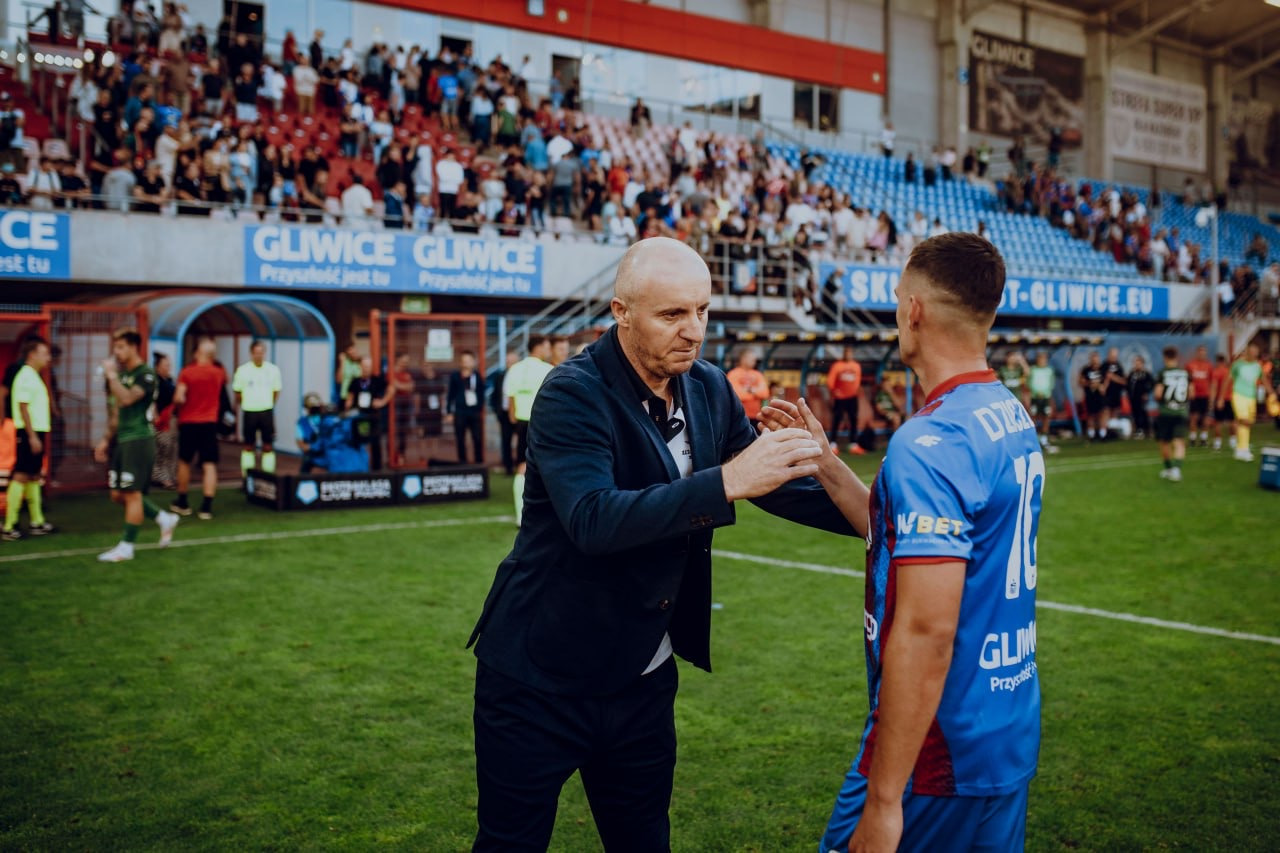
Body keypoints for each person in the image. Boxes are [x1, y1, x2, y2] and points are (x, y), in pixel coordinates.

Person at [467, 237, 861, 851]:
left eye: (701, 310)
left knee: (645, 841)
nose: (693, 330)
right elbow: (593, 519)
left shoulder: (707, 386)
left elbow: (771, 484)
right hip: (539, 678)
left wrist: (882, 517)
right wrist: (726, 482)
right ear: (621, 313)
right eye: (672, 314)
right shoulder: (571, 391)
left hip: (643, 677)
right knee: (510, 844)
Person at [803, 232, 1042, 853]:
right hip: (1005, 722)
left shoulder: (932, 441)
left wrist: (884, 802)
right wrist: (827, 464)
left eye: (896, 299)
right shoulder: (1006, 412)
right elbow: (906, 538)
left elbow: (927, 631)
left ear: (914, 311)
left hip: (937, 748)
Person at [94, 329, 180, 562]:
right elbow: (116, 411)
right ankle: (164, 518)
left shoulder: (146, 374)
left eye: (121, 347)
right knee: (117, 494)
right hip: (122, 440)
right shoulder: (122, 376)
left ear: (133, 347)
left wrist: (111, 376)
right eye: (115, 347)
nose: (117, 352)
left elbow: (127, 398)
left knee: (132, 494)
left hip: (139, 439)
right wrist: (105, 439)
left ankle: (126, 547)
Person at [3, 337, 55, 540]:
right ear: (32, 355)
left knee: (33, 475)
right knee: (21, 475)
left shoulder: (33, 375)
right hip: (28, 432)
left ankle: (37, 521)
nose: (48, 358)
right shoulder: (25, 375)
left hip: (35, 431)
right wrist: (32, 436)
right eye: (44, 353)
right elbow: (23, 406)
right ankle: (9, 525)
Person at [172, 338, 226, 520]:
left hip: (188, 422)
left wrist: (178, 405)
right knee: (209, 464)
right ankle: (206, 507)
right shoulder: (219, 373)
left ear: (197, 353)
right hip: (209, 423)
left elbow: (179, 397)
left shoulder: (187, 372)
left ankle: (182, 502)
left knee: (184, 461)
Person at [503, 334, 554, 525]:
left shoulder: (515, 369)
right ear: (538, 347)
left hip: (522, 422)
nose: (549, 350)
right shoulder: (548, 369)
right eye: (547, 347)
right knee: (548, 465)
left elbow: (510, 398)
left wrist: (514, 420)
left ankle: (521, 514)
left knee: (522, 467)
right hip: (543, 423)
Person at [232, 340, 282, 476]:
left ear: (264, 353)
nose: (259, 356)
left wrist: (268, 402)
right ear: (251, 354)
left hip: (266, 411)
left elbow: (276, 391)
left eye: (261, 353)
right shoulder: (242, 370)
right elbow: (237, 392)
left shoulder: (272, 370)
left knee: (268, 445)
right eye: (256, 353)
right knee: (248, 445)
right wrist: (247, 402)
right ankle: (247, 476)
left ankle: (268, 475)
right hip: (250, 411)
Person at [346, 356, 394, 471]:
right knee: (357, 442)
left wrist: (383, 401)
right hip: (359, 416)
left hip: (373, 416)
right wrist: (348, 405)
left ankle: (377, 470)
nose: (366, 369)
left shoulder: (377, 380)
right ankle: (358, 467)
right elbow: (350, 397)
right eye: (364, 366)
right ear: (361, 367)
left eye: (368, 366)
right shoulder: (355, 381)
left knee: (375, 443)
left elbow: (391, 389)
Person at [1154, 346, 1190, 482]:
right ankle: (1177, 470)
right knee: (1179, 441)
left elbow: (1158, 394)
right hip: (1181, 412)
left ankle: (1169, 468)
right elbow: (1191, 393)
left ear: (1165, 357)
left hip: (1166, 412)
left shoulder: (1163, 373)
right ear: (1176, 357)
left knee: (1164, 442)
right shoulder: (1185, 373)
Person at [1228, 344, 1265, 463]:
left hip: (1251, 397)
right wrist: (1220, 398)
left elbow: (1264, 380)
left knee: (1248, 423)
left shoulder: (1257, 366)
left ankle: (1241, 449)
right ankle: (1242, 449)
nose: (1254, 354)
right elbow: (1228, 379)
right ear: (1247, 352)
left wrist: (1272, 393)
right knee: (1243, 420)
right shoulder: (1237, 364)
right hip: (1238, 395)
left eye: (1256, 352)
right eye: (1252, 351)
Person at [446, 350, 484, 464]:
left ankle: (478, 463)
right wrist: (449, 411)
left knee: (477, 437)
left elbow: (481, 394)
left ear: (473, 362)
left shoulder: (477, 376)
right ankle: (462, 463)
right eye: (464, 361)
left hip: (474, 412)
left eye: (468, 360)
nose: (466, 363)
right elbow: (450, 395)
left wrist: (479, 408)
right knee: (460, 438)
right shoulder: (455, 376)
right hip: (460, 412)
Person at [826, 345, 863, 455]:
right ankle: (833, 444)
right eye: (847, 352)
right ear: (844, 353)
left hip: (852, 397)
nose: (848, 355)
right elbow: (830, 381)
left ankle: (853, 444)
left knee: (853, 420)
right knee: (837, 420)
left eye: (850, 353)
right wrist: (834, 391)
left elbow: (857, 380)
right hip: (840, 398)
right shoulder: (837, 366)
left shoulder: (856, 366)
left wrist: (856, 391)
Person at [150, 351, 178, 489]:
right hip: (161, 419)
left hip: (171, 418)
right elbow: (153, 401)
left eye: (169, 365)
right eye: (166, 365)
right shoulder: (155, 382)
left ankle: (169, 476)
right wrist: (155, 417)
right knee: (163, 449)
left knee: (171, 448)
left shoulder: (170, 380)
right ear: (158, 367)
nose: (168, 368)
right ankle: (161, 477)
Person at [490, 349, 519, 476]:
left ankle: (521, 467)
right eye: (508, 361)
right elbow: (495, 395)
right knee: (506, 441)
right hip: (504, 414)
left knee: (522, 442)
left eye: (512, 361)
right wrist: (497, 411)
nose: (509, 363)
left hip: (519, 414)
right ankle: (508, 467)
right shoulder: (500, 376)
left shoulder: (521, 376)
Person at [726, 348, 769, 428]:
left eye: (754, 360)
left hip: (756, 417)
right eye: (751, 359)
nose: (754, 361)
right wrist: (755, 393)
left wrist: (749, 390)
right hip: (738, 417)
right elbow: (736, 395)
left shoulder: (758, 374)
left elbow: (765, 393)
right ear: (743, 359)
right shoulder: (733, 374)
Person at [1185, 345, 1213, 447]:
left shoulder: (1209, 365)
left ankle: (1203, 438)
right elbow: (1187, 380)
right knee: (1194, 417)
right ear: (1197, 353)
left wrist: (1211, 397)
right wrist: (1188, 392)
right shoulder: (1190, 365)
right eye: (1200, 352)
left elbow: (1211, 382)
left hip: (1205, 395)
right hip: (1194, 396)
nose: (1202, 354)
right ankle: (1192, 439)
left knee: (1206, 417)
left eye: (1204, 352)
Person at [1028, 351, 1056, 451]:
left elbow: (1051, 384)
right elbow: (1028, 383)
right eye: (1040, 358)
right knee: (1033, 417)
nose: (1042, 361)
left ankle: (1044, 439)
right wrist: (1035, 391)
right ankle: (1033, 439)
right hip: (1035, 397)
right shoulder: (1033, 370)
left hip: (1046, 397)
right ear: (1037, 360)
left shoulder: (1049, 370)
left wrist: (1046, 392)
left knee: (1046, 417)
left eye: (1044, 359)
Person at [1078, 351, 1107, 441]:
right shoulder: (1086, 370)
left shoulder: (1103, 369)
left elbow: (1105, 384)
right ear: (1090, 359)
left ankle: (1102, 434)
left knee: (1101, 414)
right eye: (1093, 358)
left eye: (1096, 358)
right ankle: (1091, 435)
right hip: (1090, 396)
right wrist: (1090, 383)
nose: (1095, 360)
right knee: (1090, 415)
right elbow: (1081, 382)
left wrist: (1099, 385)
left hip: (1100, 397)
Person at [1124, 355, 1154, 440]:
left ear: (1142, 364)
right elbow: (1128, 384)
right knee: (1135, 414)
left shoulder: (1145, 374)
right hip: (1133, 398)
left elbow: (1152, 384)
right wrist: (1128, 393)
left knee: (1142, 413)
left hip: (1142, 398)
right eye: (1135, 363)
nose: (1137, 365)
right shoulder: (1132, 374)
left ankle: (1146, 430)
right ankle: (1138, 430)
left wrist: (1146, 393)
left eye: (1139, 363)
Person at [1209, 353, 1234, 453]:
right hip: (1230, 399)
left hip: (1220, 399)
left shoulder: (1216, 372)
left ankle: (1217, 443)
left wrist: (1212, 401)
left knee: (1218, 422)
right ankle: (1233, 442)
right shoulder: (1229, 371)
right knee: (1232, 421)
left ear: (1218, 361)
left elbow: (1214, 387)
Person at [1101, 347, 1126, 438]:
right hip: (1107, 394)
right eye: (1112, 356)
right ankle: (1104, 433)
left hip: (1116, 393)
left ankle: (1113, 432)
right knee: (1106, 412)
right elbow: (1102, 379)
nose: (1114, 357)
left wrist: (1113, 377)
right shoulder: (1104, 366)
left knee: (1115, 412)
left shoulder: (1119, 366)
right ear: (1109, 355)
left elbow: (1123, 381)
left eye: (1115, 356)